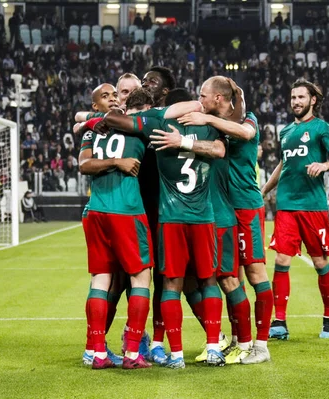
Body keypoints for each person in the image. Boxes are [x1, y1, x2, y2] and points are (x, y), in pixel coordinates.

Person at [101, 88, 227, 368]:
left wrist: (94, 117)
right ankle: (213, 347)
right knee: (208, 281)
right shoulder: (208, 129)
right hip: (204, 216)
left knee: (170, 283)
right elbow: (220, 150)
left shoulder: (158, 124)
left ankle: (177, 355)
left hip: (169, 217)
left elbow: (119, 121)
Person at [177, 76, 274, 364]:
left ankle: (262, 346)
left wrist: (212, 117)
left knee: (255, 275)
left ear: (218, 98)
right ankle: (238, 339)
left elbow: (244, 134)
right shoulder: (211, 123)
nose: (200, 100)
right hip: (222, 211)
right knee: (230, 277)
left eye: (204, 95)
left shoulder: (247, 119)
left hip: (246, 207)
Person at [261, 79, 329, 340]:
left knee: (320, 262)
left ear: (313, 100)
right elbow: (283, 164)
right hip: (287, 204)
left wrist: (324, 165)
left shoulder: (322, 128)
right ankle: (280, 323)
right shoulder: (286, 131)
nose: (296, 102)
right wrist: (265, 190)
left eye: (301, 97)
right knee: (280, 260)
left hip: (313, 206)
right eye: (293, 98)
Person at [77, 89, 156, 370]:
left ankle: (97, 353)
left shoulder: (94, 129)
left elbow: (86, 163)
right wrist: (117, 162)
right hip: (127, 211)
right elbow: (83, 165)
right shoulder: (138, 127)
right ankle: (133, 353)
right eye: (106, 94)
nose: (113, 97)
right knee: (141, 277)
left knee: (101, 279)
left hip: (97, 210)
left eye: (116, 94)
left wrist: (87, 121)